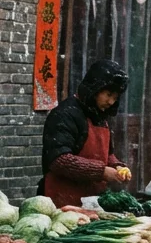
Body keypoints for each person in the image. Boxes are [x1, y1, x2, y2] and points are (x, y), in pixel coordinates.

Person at [41, 59, 131, 207]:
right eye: (108, 94)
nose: (111, 102)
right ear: (95, 89)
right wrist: (102, 172)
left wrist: (117, 167)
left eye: (115, 98)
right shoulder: (65, 114)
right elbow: (59, 160)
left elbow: (107, 154)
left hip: (92, 201)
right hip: (62, 201)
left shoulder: (100, 115)